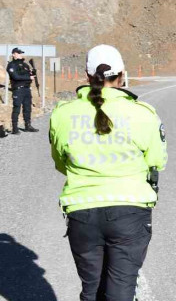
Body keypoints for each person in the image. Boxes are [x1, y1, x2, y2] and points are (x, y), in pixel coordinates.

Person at [49, 45, 167, 301]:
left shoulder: (62, 114)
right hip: (130, 211)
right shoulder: (142, 113)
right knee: (121, 290)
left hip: (82, 211)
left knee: (91, 289)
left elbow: (60, 163)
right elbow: (157, 160)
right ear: (122, 74)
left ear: (87, 75)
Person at [7, 48, 38, 135]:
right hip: (18, 89)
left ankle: (28, 126)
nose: (21, 54)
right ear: (13, 54)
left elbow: (30, 76)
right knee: (17, 108)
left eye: (21, 53)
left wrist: (32, 73)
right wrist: (28, 77)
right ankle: (15, 128)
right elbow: (15, 77)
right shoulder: (11, 65)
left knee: (27, 108)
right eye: (19, 53)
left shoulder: (25, 65)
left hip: (27, 89)